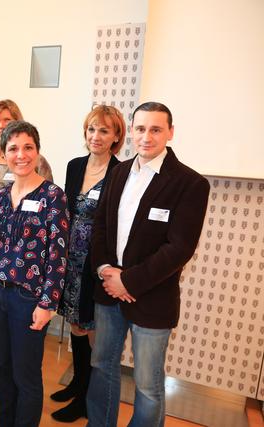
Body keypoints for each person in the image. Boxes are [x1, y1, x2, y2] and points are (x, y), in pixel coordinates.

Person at [87, 102, 210, 427]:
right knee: (102, 367)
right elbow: (100, 226)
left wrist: (130, 281)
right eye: (140, 128)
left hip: (153, 298)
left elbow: (179, 248)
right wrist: (104, 271)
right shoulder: (119, 172)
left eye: (156, 129)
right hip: (108, 291)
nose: (146, 136)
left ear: (170, 132)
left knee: (147, 383)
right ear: (132, 131)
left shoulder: (190, 184)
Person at [0, 120, 69, 427]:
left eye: (28, 147)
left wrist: (48, 304)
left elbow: (58, 255)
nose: (21, 155)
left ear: (37, 151)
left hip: (28, 299)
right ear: (3, 154)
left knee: (25, 375)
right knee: (1, 367)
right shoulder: (1, 196)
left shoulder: (52, 196)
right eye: (13, 148)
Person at [51, 105, 124, 422]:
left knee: (90, 329)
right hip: (70, 262)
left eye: (104, 131)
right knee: (75, 326)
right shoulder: (74, 165)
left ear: (116, 136)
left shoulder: (121, 173)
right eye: (92, 129)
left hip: (95, 266)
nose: (96, 136)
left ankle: (85, 398)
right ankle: (78, 384)